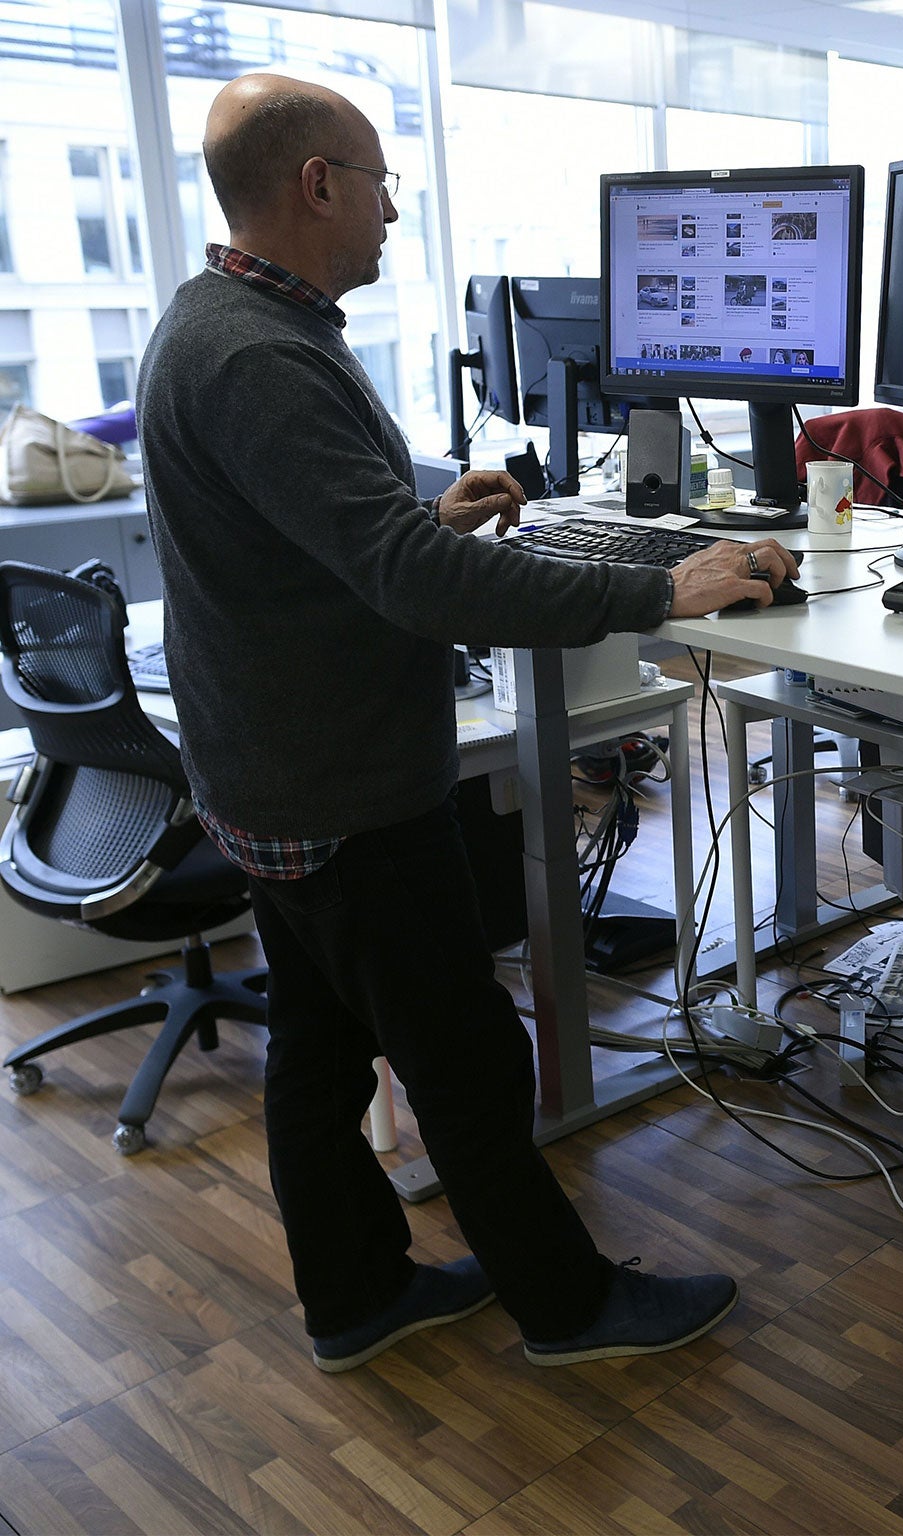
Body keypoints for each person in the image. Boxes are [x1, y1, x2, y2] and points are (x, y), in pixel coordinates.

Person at [135, 73, 798, 1373]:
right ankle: (568, 1309)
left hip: (267, 769)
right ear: (317, 184)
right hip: (334, 783)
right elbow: (418, 590)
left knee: (320, 1055)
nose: (391, 209)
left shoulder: (215, 321)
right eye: (380, 181)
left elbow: (312, 552)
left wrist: (411, 524)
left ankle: (357, 1295)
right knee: (467, 1063)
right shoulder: (263, 355)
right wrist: (663, 584)